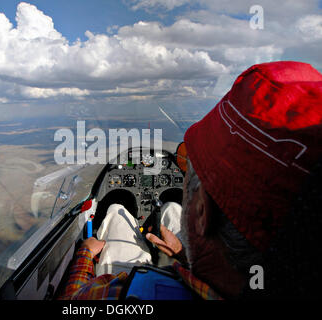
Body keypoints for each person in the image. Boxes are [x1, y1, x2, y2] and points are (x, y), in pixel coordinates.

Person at [59, 61, 322, 300]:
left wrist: (84, 255)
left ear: (202, 213)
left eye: (190, 186)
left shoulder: (121, 296)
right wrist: (188, 257)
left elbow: (72, 301)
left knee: (117, 213)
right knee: (173, 210)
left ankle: (129, 222)